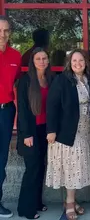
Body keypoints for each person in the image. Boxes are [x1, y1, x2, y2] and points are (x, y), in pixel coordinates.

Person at [45, 49, 90, 220]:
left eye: (81, 60)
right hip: (68, 132)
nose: (78, 64)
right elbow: (51, 106)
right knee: (71, 169)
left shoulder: (89, 79)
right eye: (74, 61)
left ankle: (71, 201)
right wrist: (51, 130)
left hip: (86, 130)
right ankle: (69, 203)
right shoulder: (62, 80)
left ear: (86, 62)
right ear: (69, 63)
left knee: (77, 168)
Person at [17, 47, 54, 219]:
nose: (42, 61)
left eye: (44, 58)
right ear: (32, 61)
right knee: (32, 169)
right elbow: (23, 110)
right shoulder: (25, 81)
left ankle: (37, 202)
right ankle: (26, 209)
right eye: (38, 58)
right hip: (30, 132)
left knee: (41, 168)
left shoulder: (50, 79)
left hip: (45, 131)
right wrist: (26, 134)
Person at [0, 15, 21, 218]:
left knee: (1, 159)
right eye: (0, 30)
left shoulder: (16, 56)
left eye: (6, 30)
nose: (2, 34)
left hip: (6, 112)